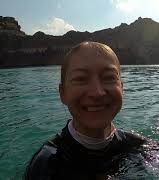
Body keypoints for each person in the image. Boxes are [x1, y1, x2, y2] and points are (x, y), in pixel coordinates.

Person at [25, 42, 146, 180]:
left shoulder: (137, 147)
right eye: (81, 79)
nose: (97, 93)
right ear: (62, 93)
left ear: (122, 88)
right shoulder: (46, 165)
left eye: (109, 77)